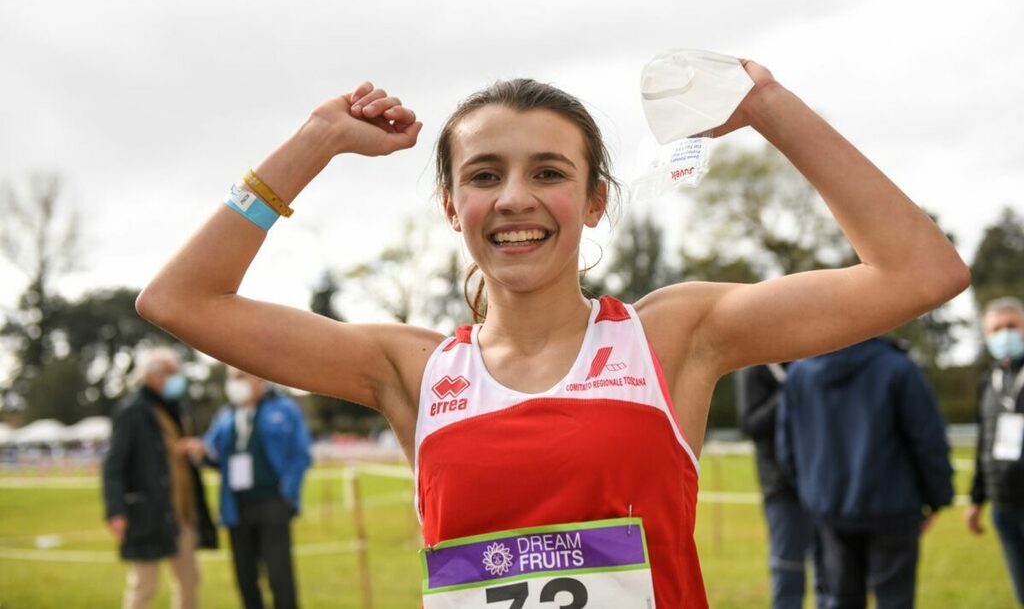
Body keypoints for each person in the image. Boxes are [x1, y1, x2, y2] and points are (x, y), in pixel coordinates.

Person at [135, 60, 969, 607]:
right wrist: (315, 142)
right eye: (485, 175)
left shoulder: (673, 337)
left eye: (549, 173)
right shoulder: (410, 370)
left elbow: (920, 274)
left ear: (596, 199)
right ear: (452, 205)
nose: (514, 199)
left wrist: (768, 108)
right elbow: (180, 299)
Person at [776, 337, 954, 609]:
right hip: (892, 509)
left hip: (829, 509)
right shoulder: (898, 367)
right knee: (894, 600)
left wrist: (812, 494)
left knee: (838, 600)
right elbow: (927, 440)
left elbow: (787, 448)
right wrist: (937, 496)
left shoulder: (799, 373)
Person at [182, 366, 312, 609]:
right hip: (236, 506)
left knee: (279, 574)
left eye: (240, 377)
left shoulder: (284, 409)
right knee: (245, 576)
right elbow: (214, 452)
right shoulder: (226, 416)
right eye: (231, 378)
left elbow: (300, 454)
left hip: (273, 502)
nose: (234, 383)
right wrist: (201, 451)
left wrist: (288, 494)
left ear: (258, 378)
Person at [102, 346, 218, 609]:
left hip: (182, 512)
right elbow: (114, 465)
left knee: (189, 582)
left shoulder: (179, 410)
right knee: (144, 585)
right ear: (152, 376)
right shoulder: (132, 411)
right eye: (171, 373)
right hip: (147, 512)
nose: (177, 378)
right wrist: (115, 511)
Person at [736, 363, 822, 609]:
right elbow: (750, 424)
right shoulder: (755, 368)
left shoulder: (809, 360)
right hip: (781, 487)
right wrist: (788, 392)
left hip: (820, 483)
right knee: (789, 571)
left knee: (830, 573)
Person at [968, 296, 1024, 606]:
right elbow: (983, 443)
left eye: (1012, 326)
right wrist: (977, 498)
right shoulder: (988, 381)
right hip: (1003, 503)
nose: (1005, 335)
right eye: (997, 329)